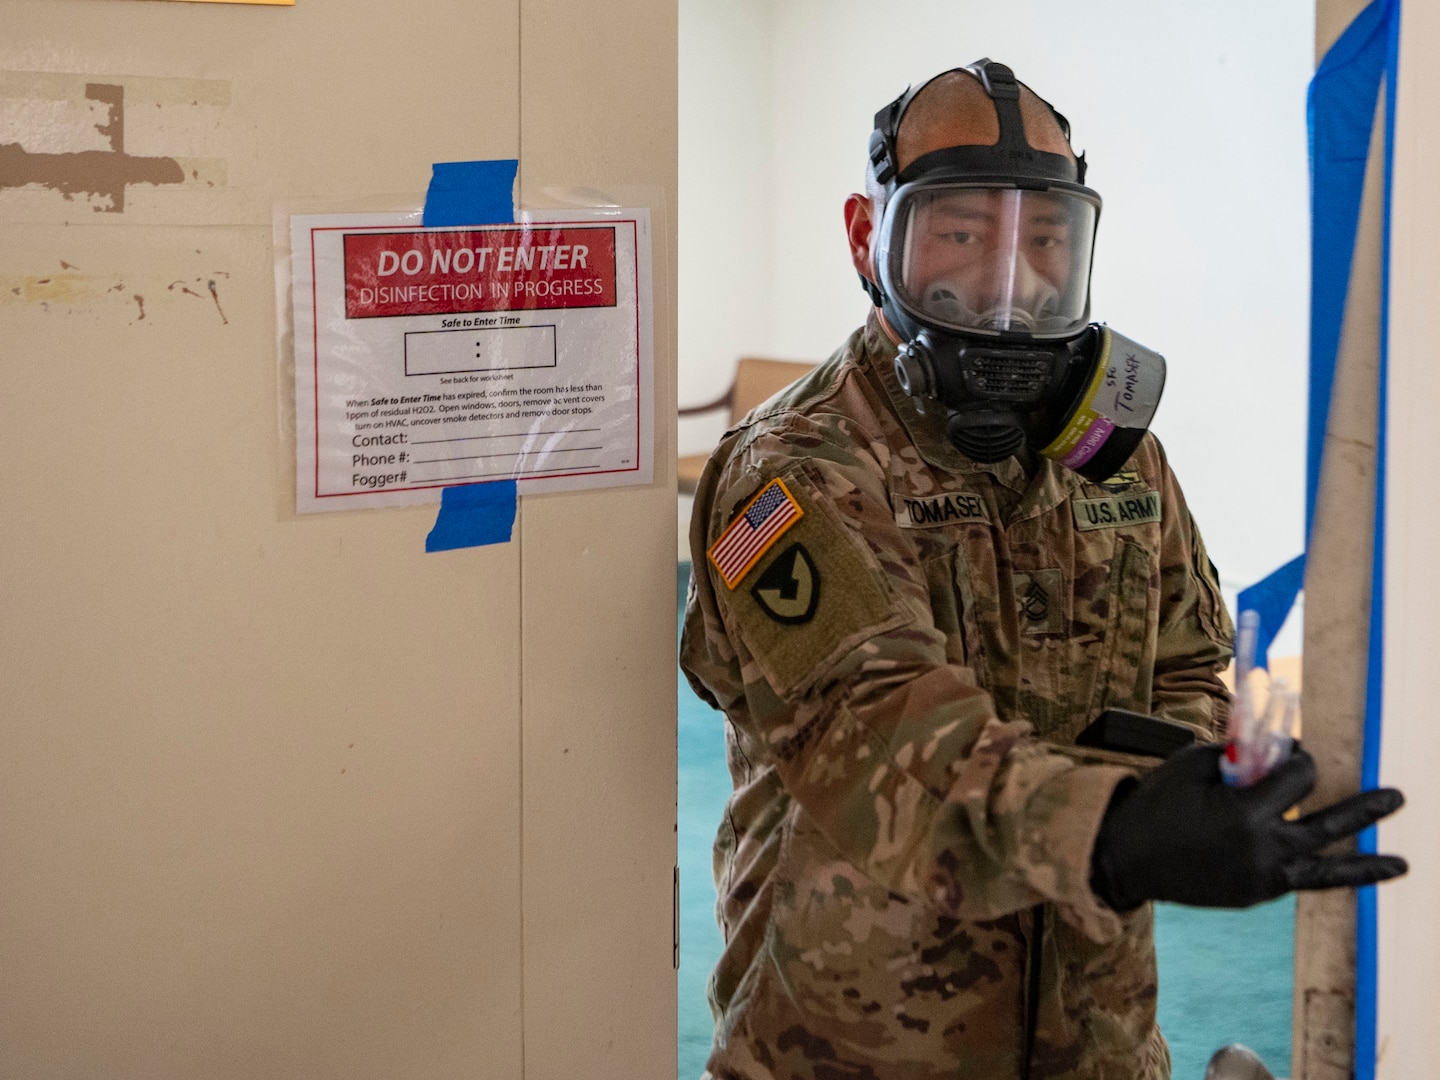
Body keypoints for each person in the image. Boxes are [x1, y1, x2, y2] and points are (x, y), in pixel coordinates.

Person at [679, 60, 1406, 1080]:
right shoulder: (788, 474)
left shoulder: (1116, 452)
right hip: (855, 1045)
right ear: (866, 236)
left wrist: (1190, 785)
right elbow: (878, 736)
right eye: (963, 233)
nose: (1010, 282)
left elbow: (1194, 657)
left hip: (1094, 1036)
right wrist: (1117, 832)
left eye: (1047, 238)